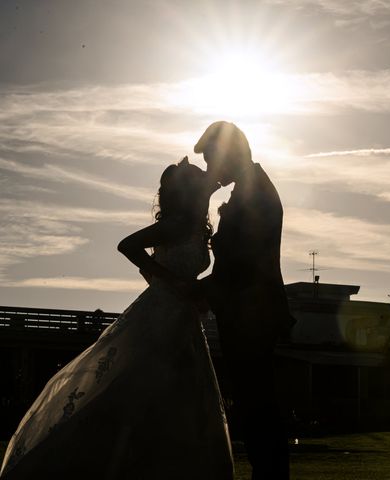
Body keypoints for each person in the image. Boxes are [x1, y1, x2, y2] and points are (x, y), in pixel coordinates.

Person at [0, 158, 233, 480]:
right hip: (162, 313)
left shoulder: (193, 222)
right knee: (137, 386)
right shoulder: (177, 224)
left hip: (183, 315)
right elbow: (127, 245)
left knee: (176, 391)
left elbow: (212, 185)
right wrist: (172, 281)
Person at [194, 121, 294, 480]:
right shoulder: (249, 191)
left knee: (258, 407)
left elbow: (243, 265)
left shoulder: (255, 196)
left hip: (251, 315)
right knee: (255, 406)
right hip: (247, 313)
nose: (210, 171)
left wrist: (197, 291)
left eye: (210, 162)